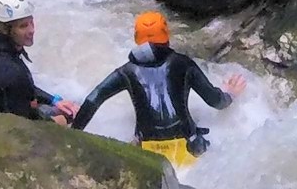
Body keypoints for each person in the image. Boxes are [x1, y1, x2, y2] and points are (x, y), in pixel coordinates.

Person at [67, 11, 244, 167]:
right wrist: (229, 95)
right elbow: (215, 101)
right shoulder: (183, 63)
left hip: (146, 153)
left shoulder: (126, 71)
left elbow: (94, 97)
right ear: (166, 35)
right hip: (189, 147)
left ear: (137, 39)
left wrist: (71, 133)